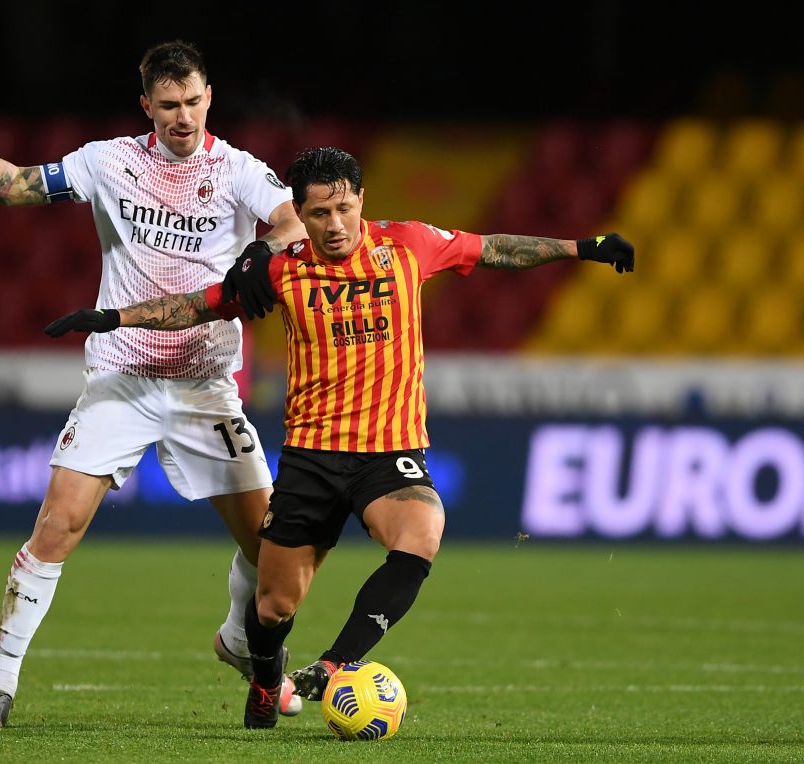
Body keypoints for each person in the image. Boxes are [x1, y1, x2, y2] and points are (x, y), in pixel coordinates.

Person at [44, 146, 635, 729]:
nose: (335, 225)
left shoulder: (408, 245)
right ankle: (266, 680)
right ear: (299, 213)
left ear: (361, 201)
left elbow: (495, 249)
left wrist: (583, 247)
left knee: (422, 533)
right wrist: (112, 318)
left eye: (345, 209)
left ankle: (334, 663)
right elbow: (201, 305)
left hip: (389, 453)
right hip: (312, 459)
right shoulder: (281, 270)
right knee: (273, 606)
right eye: (320, 213)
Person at [0, 39, 307, 729]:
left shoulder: (238, 169)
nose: (183, 116)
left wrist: (260, 250)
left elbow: (291, 220)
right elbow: (15, 187)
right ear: (146, 106)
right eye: (169, 105)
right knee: (56, 528)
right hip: (121, 378)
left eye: (193, 101)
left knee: (272, 550)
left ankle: (238, 641)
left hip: (204, 386)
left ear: (209, 98)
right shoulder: (110, 161)